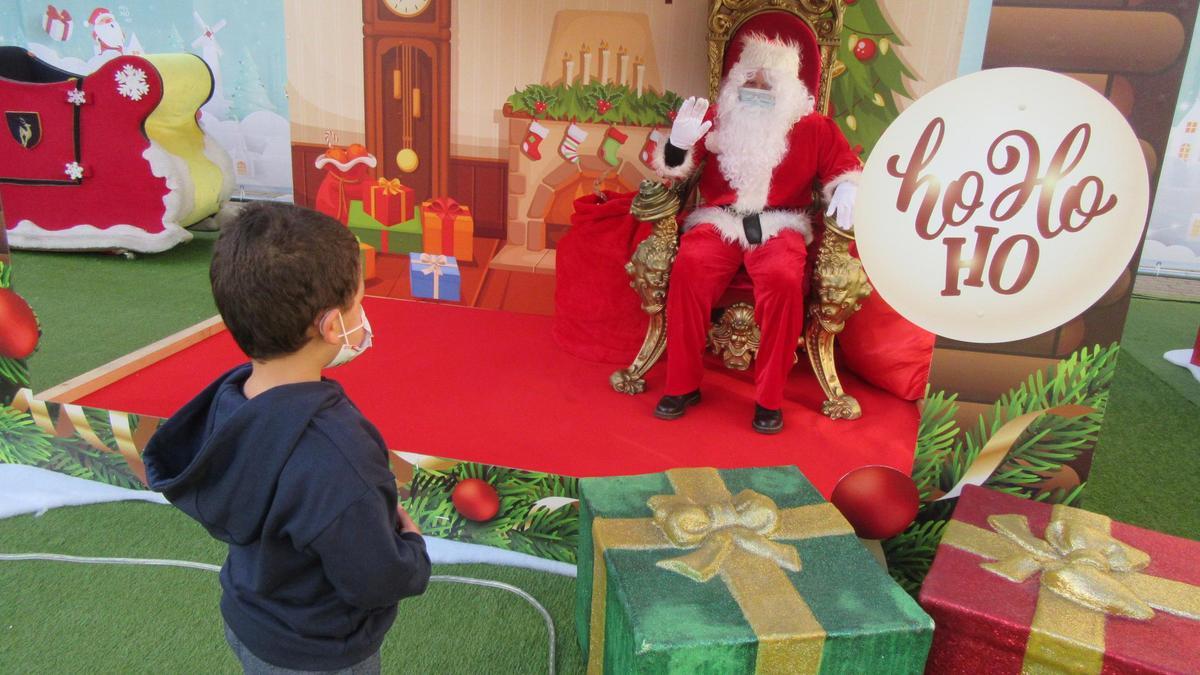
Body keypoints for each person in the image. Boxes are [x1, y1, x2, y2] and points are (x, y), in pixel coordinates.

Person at [142, 202, 430, 674]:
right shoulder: (339, 456)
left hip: (249, 618)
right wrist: (413, 550)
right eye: (359, 300)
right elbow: (375, 579)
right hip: (318, 653)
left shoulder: (230, 399)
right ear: (333, 325)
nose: (363, 313)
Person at [650, 32, 862, 434]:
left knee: (783, 280)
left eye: (768, 82)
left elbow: (844, 165)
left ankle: (769, 398)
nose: (757, 88)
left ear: (789, 88)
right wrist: (677, 144)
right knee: (690, 267)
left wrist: (848, 185)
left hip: (780, 224)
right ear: (736, 80)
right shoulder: (714, 117)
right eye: (750, 78)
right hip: (718, 220)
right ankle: (681, 385)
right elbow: (672, 170)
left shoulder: (814, 127)